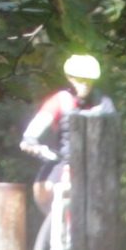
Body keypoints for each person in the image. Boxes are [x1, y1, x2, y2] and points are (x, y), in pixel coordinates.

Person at [20, 53, 112, 213]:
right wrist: (30, 141)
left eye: (89, 80)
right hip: (65, 159)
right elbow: (37, 125)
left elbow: (113, 135)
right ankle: (55, 226)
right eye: (80, 79)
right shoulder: (61, 100)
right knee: (42, 189)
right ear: (70, 78)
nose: (85, 84)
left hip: (95, 163)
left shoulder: (103, 104)